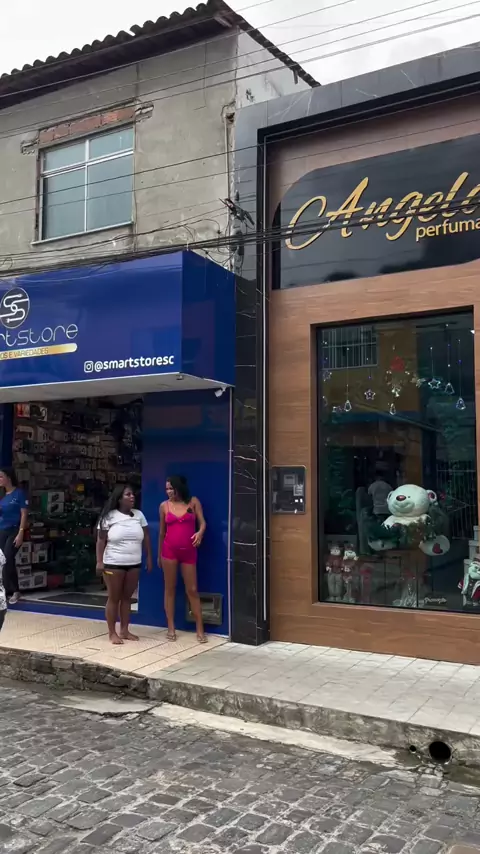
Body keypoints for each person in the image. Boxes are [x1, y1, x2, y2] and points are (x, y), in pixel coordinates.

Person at [96, 484, 152, 645]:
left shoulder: (139, 515)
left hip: (134, 563)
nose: (132, 497)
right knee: (114, 598)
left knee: (127, 598)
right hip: (113, 563)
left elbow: (146, 537)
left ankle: (125, 630)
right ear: (119, 498)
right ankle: (112, 633)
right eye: (128, 495)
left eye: (132, 494)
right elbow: (101, 540)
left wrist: (149, 557)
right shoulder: (109, 517)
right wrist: (99, 561)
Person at [158, 475, 207, 643]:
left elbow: (203, 523)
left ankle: (200, 628)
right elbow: (162, 532)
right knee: (170, 588)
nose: (169, 492)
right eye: (167, 489)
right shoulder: (164, 506)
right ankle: (171, 627)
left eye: (171, 488)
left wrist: (200, 533)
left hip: (189, 551)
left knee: (192, 589)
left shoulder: (193, 502)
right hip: (169, 551)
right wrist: (159, 555)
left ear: (179, 488)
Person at [0, 468, 28, 605]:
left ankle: (15, 591)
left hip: (15, 530)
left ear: (8, 478)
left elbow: (24, 514)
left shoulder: (19, 493)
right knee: (2, 560)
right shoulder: (2, 495)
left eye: (1, 477)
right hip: (2, 531)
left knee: (8, 556)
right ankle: (5, 591)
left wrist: (21, 532)